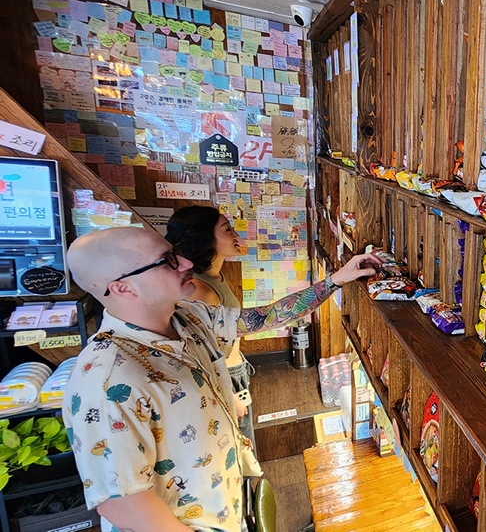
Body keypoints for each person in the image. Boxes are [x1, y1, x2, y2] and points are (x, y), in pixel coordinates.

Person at [63, 226, 381, 532]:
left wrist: (338, 279)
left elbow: (266, 316)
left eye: (176, 253)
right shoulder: (105, 380)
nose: (186, 263)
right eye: (168, 261)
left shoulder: (188, 316)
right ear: (122, 287)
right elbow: (123, 503)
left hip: (226, 506)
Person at [164, 206, 256, 455]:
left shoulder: (212, 276)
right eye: (227, 229)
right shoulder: (200, 290)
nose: (236, 236)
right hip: (225, 378)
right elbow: (198, 354)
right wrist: (227, 394)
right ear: (205, 239)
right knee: (240, 449)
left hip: (234, 373)